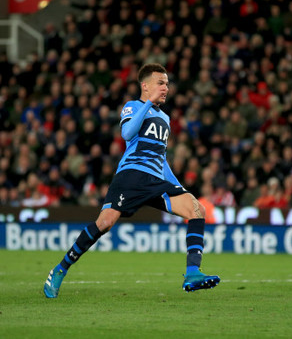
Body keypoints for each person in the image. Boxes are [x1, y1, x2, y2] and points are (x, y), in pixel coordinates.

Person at [43, 63, 220, 298]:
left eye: (167, 83)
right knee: (105, 223)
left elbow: (161, 157)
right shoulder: (133, 106)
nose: (166, 87)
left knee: (197, 209)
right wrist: (147, 104)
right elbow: (126, 134)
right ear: (145, 86)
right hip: (131, 175)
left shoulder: (165, 118)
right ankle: (60, 269)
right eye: (161, 83)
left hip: (157, 179)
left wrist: (179, 187)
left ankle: (192, 273)